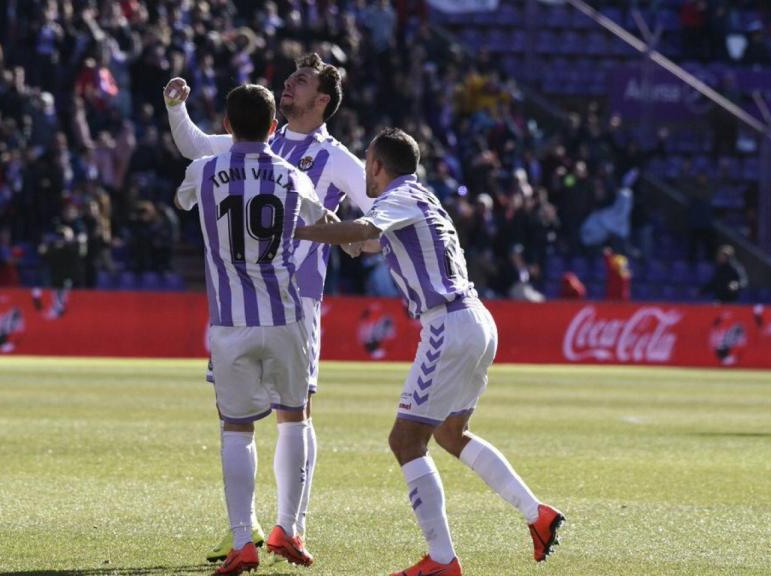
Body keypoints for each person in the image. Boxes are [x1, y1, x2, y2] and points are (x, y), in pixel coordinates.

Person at [295, 129, 564, 576]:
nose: (365, 171)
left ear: (379, 166)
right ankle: (537, 514)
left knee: (405, 440)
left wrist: (301, 229)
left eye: (367, 163)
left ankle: (442, 560)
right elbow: (363, 242)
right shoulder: (421, 198)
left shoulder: (398, 197)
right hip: (475, 319)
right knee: (450, 434)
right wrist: (325, 221)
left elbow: (364, 229)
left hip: (448, 323)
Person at [164, 53, 373, 561]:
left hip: (292, 298)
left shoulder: (336, 158)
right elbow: (195, 143)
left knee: (285, 416)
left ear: (321, 101)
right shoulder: (271, 149)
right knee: (291, 414)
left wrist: (371, 234)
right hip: (275, 305)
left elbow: (378, 204)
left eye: (301, 81)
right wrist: (351, 238)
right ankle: (256, 527)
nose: (289, 84)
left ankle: (286, 526)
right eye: (289, 79)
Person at [174, 84, 330, 576]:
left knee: (236, 428)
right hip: (286, 318)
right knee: (296, 418)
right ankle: (288, 526)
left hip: (230, 323)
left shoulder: (204, 171)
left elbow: (182, 201)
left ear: (226, 125)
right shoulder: (290, 176)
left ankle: (243, 539)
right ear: (271, 128)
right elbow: (321, 220)